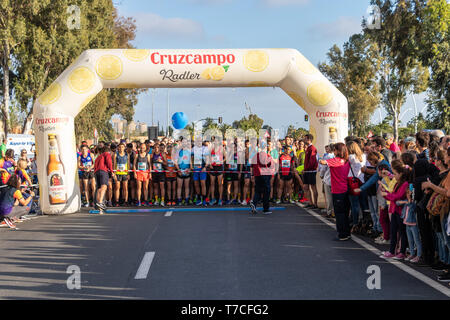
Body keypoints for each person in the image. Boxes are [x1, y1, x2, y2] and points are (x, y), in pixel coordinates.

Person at [379, 160, 412, 260]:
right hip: (394, 209)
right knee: (393, 231)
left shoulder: (405, 184)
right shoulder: (398, 183)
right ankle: (392, 250)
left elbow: (397, 196)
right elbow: (392, 194)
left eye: (395, 174)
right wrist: (385, 193)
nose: (394, 175)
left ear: (401, 174)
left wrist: (386, 194)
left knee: (402, 232)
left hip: (400, 210)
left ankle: (402, 251)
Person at [319, 143, 351, 241]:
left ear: (338, 151)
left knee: (339, 213)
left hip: (337, 190)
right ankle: (347, 232)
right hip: (346, 188)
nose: (334, 151)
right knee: (345, 212)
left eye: (335, 149)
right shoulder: (347, 160)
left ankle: (342, 234)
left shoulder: (336, 160)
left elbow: (322, 162)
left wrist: (320, 159)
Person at [249, 141, 274, 215]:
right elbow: (271, 166)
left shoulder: (255, 155)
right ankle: (266, 209)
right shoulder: (267, 156)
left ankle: (254, 203)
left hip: (257, 175)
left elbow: (252, 166)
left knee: (258, 191)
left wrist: (252, 175)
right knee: (266, 191)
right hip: (265, 174)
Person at [94, 145, 114, 213]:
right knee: (104, 186)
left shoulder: (98, 157)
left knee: (99, 188)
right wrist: (111, 171)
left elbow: (95, 166)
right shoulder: (106, 154)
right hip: (103, 171)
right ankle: (100, 202)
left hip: (96, 172)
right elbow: (109, 163)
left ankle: (98, 206)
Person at [303, 134, 318, 209]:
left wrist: (306, 169)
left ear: (309, 139)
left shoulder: (312, 148)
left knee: (313, 187)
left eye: (305, 138)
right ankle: (310, 202)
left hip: (311, 171)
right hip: (307, 171)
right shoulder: (308, 148)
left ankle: (315, 204)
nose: (304, 140)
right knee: (305, 187)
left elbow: (312, 161)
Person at [113, 142, 130, 206]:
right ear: (118, 148)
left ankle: (126, 201)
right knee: (117, 187)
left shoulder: (127, 154)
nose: (121, 148)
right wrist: (114, 173)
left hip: (125, 173)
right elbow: (114, 164)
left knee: (125, 188)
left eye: (122, 147)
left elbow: (128, 165)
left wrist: (128, 174)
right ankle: (117, 201)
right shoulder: (115, 154)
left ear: (124, 148)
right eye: (119, 147)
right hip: (118, 173)